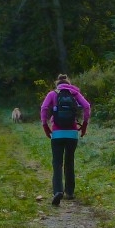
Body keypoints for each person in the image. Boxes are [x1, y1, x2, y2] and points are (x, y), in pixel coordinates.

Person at [40, 73, 91, 206]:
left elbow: (44, 108)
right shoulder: (75, 94)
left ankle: (58, 191)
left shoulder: (52, 94)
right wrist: (84, 125)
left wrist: (45, 126)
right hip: (72, 133)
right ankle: (69, 192)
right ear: (69, 84)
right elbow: (87, 106)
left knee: (57, 162)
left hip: (57, 133)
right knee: (69, 161)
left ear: (57, 84)